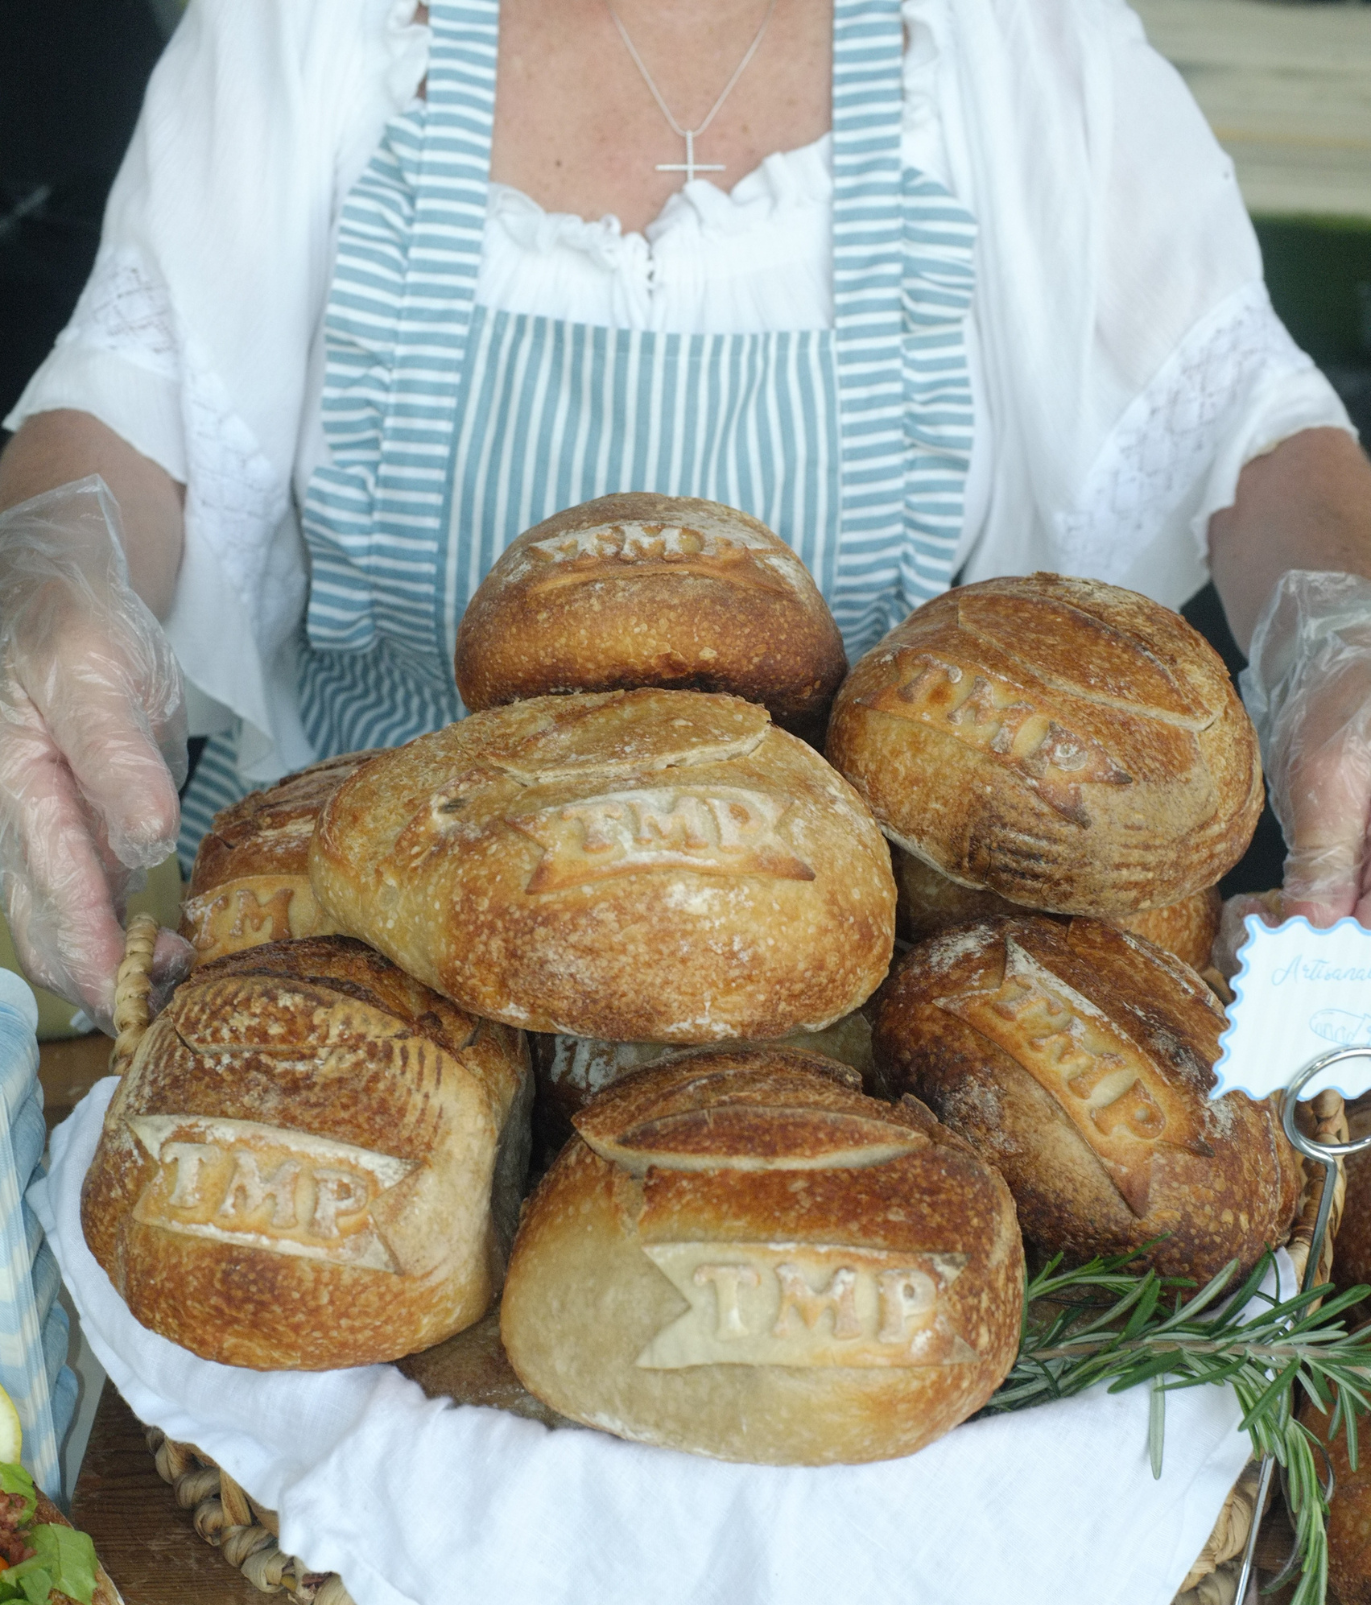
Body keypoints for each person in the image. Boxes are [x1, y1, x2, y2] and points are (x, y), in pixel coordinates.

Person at [1, 0, 1369, 1031]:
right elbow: (130, 406)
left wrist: (1340, 640)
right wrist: (51, 571)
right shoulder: (318, 32)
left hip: (838, 1022)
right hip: (351, 985)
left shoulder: (1009, 46)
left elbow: (1248, 424)